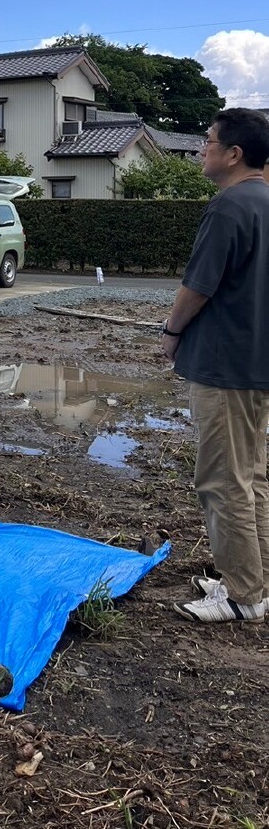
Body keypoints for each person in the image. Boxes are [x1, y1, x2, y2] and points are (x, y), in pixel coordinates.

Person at [160, 108, 269, 623]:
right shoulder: (266, 202)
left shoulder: (230, 207)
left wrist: (172, 331)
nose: (202, 148)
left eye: (208, 141)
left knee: (223, 481)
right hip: (256, 362)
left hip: (225, 365)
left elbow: (198, 287)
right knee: (250, 477)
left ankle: (245, 596)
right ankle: (254, 577)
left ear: (234, 154)